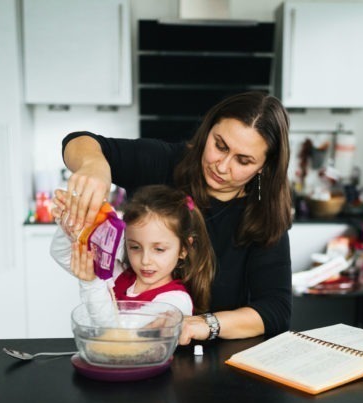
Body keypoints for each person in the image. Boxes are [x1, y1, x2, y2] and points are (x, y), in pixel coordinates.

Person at [53, 91, 292, 344]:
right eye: (219, 146)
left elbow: (276, 310)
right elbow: (77, 141)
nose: (222, 166)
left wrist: (203, 324)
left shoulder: (263, 212)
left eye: (243, 161)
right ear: (208, 129)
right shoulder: (164, 162)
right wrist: (94, 165)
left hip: (220, 359)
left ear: (264, 166)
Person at [51, 185, 215, 318]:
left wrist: (91, 284)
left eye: (158, 249)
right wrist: (70, 224)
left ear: (184, 249)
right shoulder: (119, 275)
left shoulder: (175, 302)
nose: (145, 260)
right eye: (135, 247)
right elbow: (63, 255)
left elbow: (120, 339)